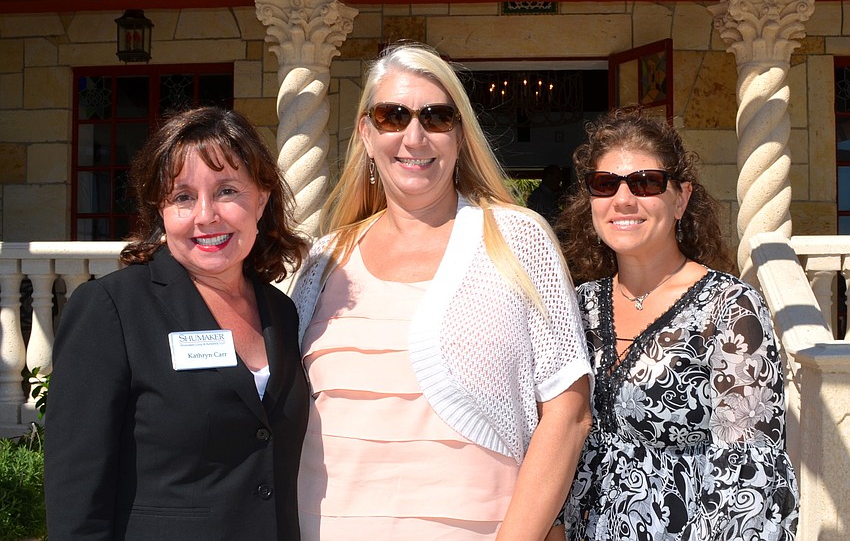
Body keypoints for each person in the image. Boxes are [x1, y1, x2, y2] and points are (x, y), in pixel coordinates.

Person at [291, 43, 593, 540]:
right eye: (392, 116)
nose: (414, 136)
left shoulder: (518, 239)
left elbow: (568, 412)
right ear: (366, 133)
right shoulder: (324, 261)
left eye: (436, 117)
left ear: (459, 134)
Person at [44, 106, 309, 540]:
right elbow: (76, 490)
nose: (206, 216)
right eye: (183, 197)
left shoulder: (282, 311)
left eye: (226, 191)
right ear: (161, 211)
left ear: (261, 198)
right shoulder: (111, 309)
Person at [557, 107, 799, 540]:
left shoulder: (729, 308)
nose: (623, 200)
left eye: (646, 183)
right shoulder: (579, 307)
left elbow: (749, 475)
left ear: (681, 198)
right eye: (605, 184)